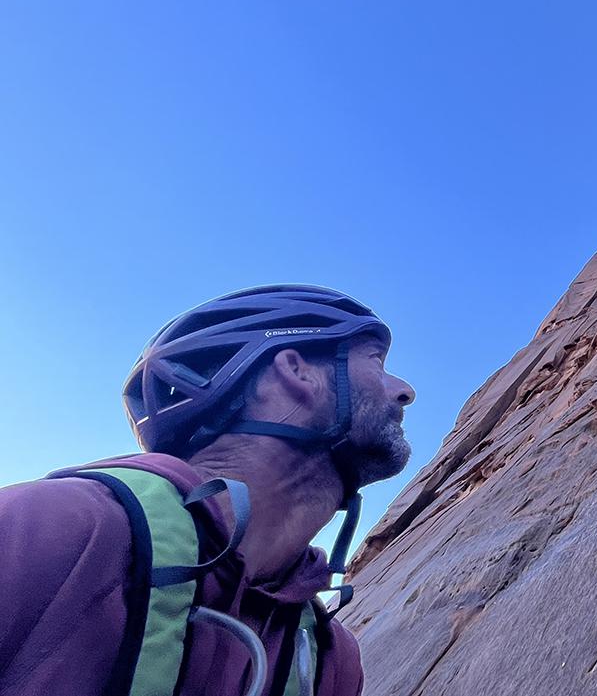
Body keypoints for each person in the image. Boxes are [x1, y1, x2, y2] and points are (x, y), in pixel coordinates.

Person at [0, 284, 416, 696]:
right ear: (296, 371)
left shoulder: (331, 660)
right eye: (375, 362)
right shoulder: (52, 525)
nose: (404, 391)